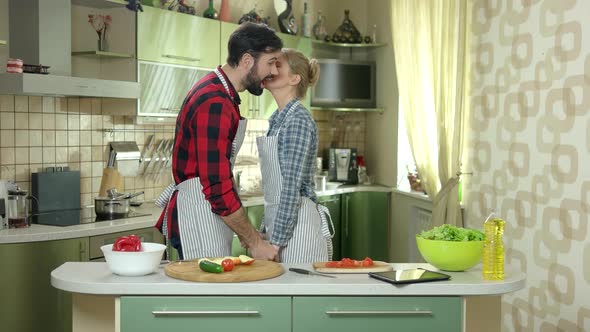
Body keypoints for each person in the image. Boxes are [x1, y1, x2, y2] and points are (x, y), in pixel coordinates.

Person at [155, 22, 283, 261]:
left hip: (204, 212)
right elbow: (217, 184)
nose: (273, 72)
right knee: (206, 297)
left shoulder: (222, 94)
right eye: (270, 62)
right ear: (247, 61)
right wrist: (255, 243)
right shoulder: (215, 101)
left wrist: (248, 235)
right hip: (197, 217)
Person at [256, 48, 333, 263]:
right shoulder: (277, 120)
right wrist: (264, 231)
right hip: (282, 228)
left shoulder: (297, 120)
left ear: (294, 78)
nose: (269, 68)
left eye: (277, 65)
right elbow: (275, 191)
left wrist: (275, 242)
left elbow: (290, 187)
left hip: (299, 231)